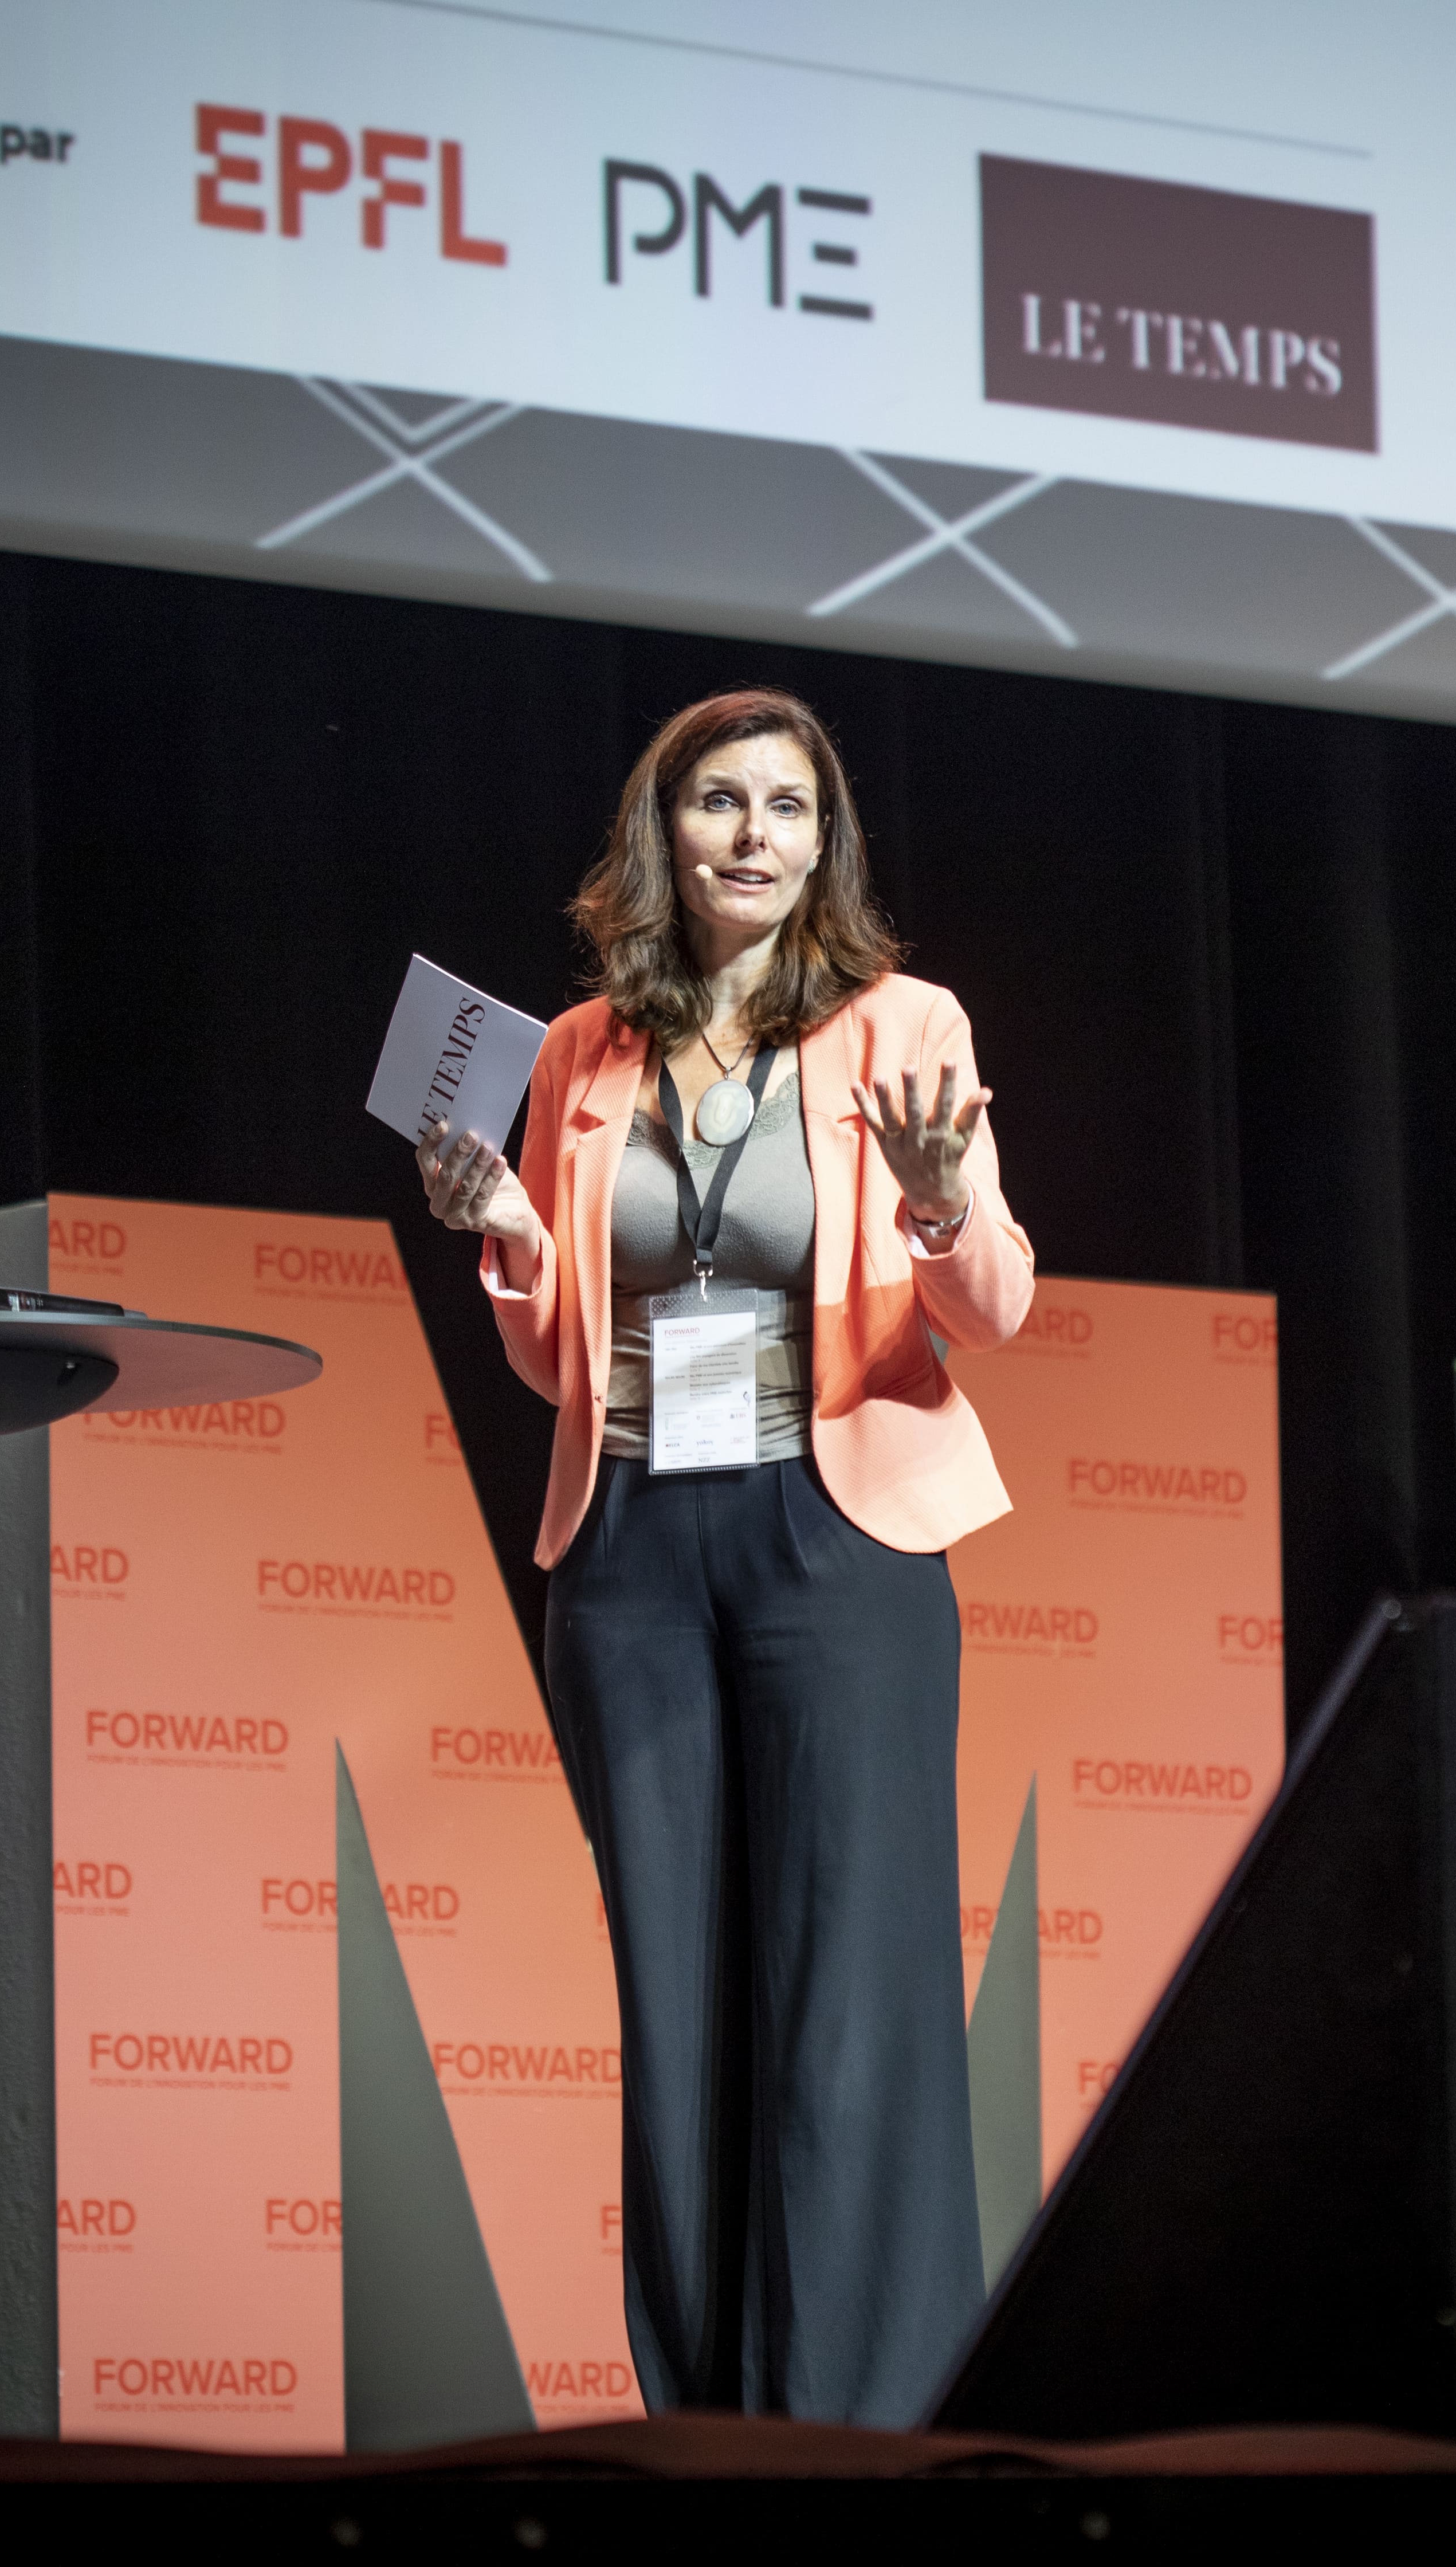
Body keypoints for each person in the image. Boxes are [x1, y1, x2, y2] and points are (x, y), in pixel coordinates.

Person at [414, 686, 1034, 2424]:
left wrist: (939, 1200)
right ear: (662, 832)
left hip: (833, 1538)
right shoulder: (577, 1048)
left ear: (826, 845)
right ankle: (704, 2421)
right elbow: (561, 1356)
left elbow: (992, 1304)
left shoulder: (905, 1022)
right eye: (718, 801)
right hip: (627, 1547)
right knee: (677, 2005)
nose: (754, 834)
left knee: (846, 1997)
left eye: (788, 806)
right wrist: (508, 1230)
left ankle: (862, 2414)